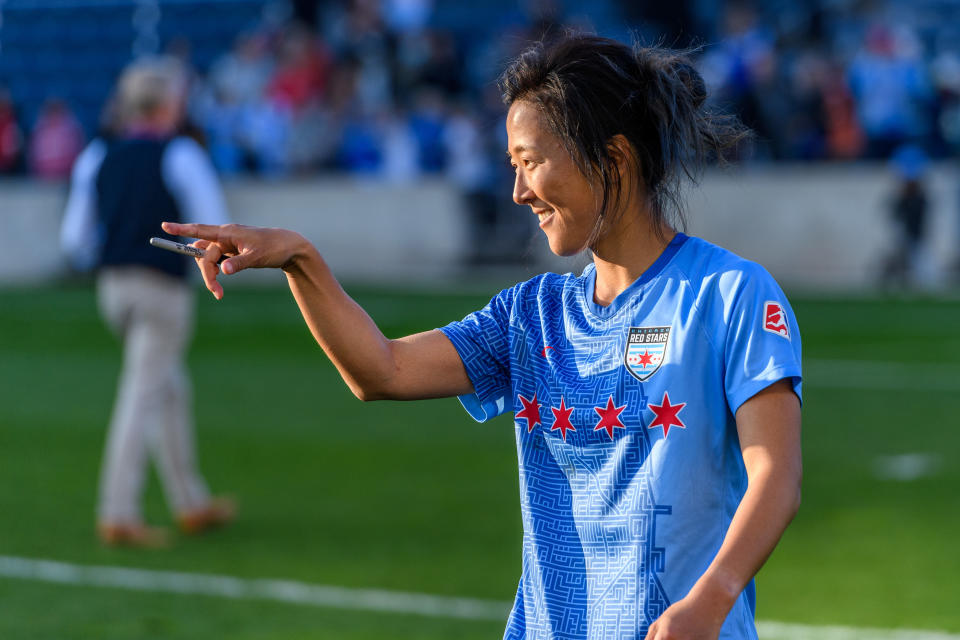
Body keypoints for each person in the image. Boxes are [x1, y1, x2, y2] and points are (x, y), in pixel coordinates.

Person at [163, 34, 802, 640]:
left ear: (613, 158)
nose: (519, 191)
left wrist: (711, 598)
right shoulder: (532, 314)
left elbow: (775, 474)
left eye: (530, 163)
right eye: (511, 166)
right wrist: (301, 259)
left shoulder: (730, 294)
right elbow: (381, 370)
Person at [60, 57, 235, 547]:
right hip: (160, 288)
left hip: (112, 288)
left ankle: (190, 501)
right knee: (142, 394)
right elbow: (212, 226)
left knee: (167, 389)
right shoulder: (179, 154)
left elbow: (75, 239)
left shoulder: (98, 154)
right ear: (167, 104)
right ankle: (118, 511)